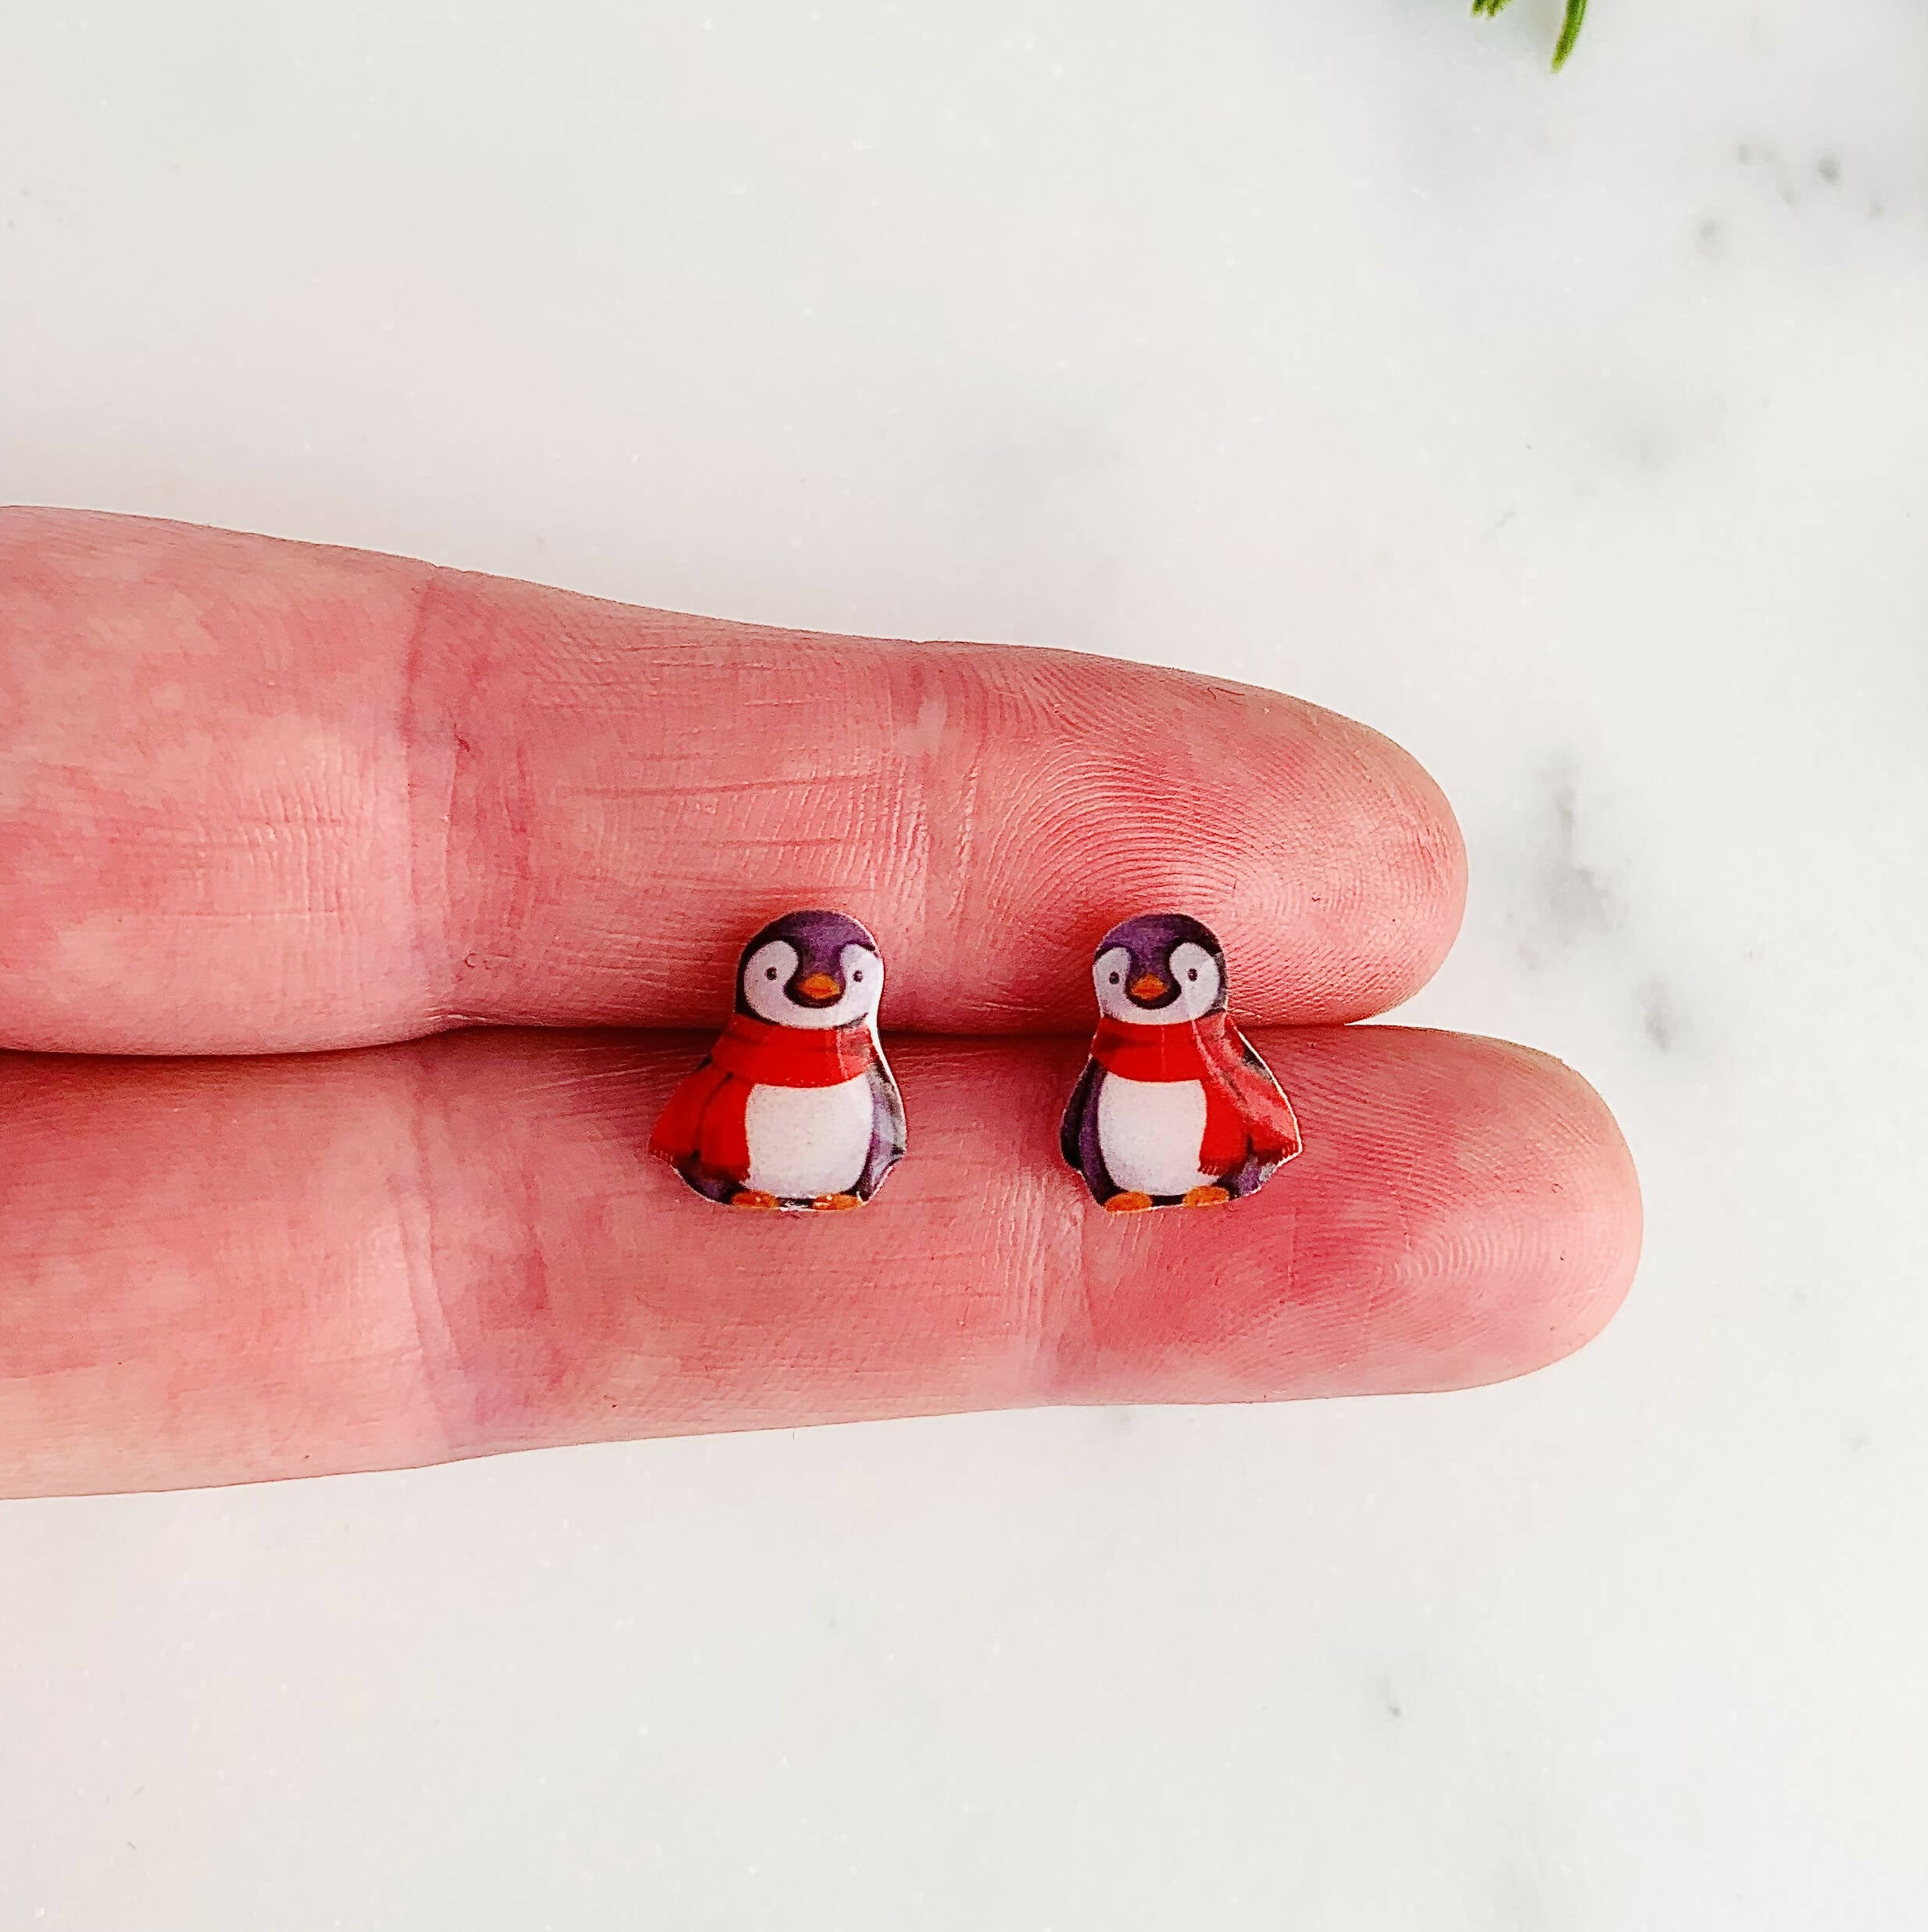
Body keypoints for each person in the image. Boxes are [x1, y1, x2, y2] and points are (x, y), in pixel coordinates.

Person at [0, 509, 1640, 1496]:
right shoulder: (768, 1040)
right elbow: (735, 1090)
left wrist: (1169, 1133)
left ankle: (1120, 1171)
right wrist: (751, 1144)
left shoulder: (1190, 1047)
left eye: (1159, 975)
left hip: (1065, 1147)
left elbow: (1207, 1101)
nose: (1144, 983)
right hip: (796, 1148)